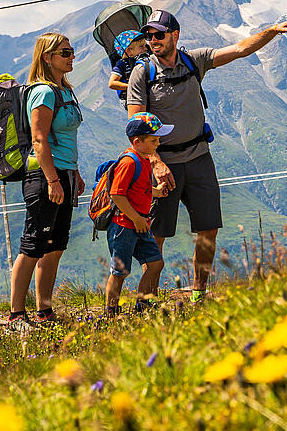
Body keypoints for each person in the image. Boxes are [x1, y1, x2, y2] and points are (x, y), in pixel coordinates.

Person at [127, 9, 287, 302]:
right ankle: (148, 300)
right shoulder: (142, 73)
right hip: (164, 163)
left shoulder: (194, 60)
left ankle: (198, 294)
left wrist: (272, 30)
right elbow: (135, 127)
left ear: (174, 35)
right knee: (157, 234)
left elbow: (240, 49)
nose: (152, 40)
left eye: (158, 34)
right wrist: (155, 163)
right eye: (149, 35)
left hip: (198, 158)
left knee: (208, 229)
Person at [9, 32, 85, 325]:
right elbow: (39, 141)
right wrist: (53, 181)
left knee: (55, 246)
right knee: (33, 245)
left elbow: (65, 138)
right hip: (44, 177)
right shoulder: (43, 92)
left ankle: (45, 310)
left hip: (63, 173)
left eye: (71, 50)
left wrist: (73, 173)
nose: (71, 56)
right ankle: (16, 314)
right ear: (47, 57)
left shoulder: (65, 89)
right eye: (64, 52)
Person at [103, 112, 170, 317]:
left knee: (156, 263)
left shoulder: (142, 159)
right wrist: (136, 218)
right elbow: (116, 193)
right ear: (137, 141)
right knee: (120, 272)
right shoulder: (129, 162)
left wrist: (156, 191)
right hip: (124, 225)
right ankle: (111, 312)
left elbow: (140, 188)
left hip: (140, 223)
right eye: (153, 140)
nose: (157, 144)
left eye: (158, 139)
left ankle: (144, 305)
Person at [108, 31, 148, 101]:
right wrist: (131, 86)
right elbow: (112, 83)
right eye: (141, 46)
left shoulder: (145, 60)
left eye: (145, 46)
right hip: (131, 98)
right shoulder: (122, 64)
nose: (146, 49)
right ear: (129, 51)